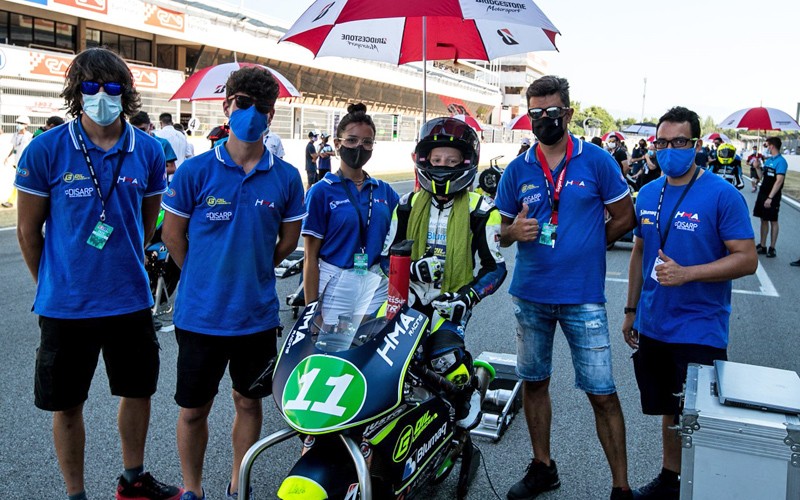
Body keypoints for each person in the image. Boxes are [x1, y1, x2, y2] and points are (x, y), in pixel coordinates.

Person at [14, 47, 181, 500]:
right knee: (67, 404)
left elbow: (148, 224)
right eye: (90, 86)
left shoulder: (147, 150)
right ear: (76, 91)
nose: (101, 95)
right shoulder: (46, 148)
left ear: (125, 93)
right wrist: (53, 280)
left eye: (112, 87)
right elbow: (29, 233)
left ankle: (133, 479)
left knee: (138, 391)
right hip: (66, 304)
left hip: (129, 298)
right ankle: (75, 493)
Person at [161, 66, 305, 500]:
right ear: (227, 107)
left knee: (248, 403)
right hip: (199, 316)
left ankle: (238, 484)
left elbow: (287, 241)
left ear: (271, 115)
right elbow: (172, 236)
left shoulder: (286, 177)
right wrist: (204, 273)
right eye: (243, 103)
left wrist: (251, 269)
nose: (251, 114)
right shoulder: (195, 171)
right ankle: (193, 489)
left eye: (261, 108)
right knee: (193, 410)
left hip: (255, 316)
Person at [494, 75, 636, 500]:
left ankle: (621, 487)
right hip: (531, 293)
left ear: (568, 114)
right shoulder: (518, 168)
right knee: (534, 382)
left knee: (602, 392)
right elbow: (499, 232)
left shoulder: (596, 161)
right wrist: (513, 232)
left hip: (583, 297)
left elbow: (625, 216)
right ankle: (543, 466)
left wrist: (592, 243)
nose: (542, 120)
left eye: (551, 113)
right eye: (534, 114)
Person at [622, 106, 758, 499]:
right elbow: (638, 253)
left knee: (700, 414)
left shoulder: (722, 194)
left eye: (679, 142)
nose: (669, 150)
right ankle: (671, 478)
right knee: (669, 407)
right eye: (662, 142)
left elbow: (746, 259)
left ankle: (703, 486)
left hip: (701, 326)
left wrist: (689, 273)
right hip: (655, 322)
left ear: (696, 145)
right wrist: (631, 311)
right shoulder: (648, 192)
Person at [381, 116, 507, 429]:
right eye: (436, 159)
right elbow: (386, 259)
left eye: (451, 160)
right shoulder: (406, 204)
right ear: (423, 160)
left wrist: (468, 296)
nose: (442, 165)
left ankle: (470, 392)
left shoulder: (482, 209)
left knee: (447, 362)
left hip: (450, 302)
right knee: (379, 355)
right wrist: (412, 269)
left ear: (467, 162)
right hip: (407, 298)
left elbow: (496, 267)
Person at [302, 103, 398, 304]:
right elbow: (310, 258)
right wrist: (311, 311)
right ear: (337, 143)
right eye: (352, 140)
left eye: (367, 142)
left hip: (376, 283)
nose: (359, 147)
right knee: (331, 337)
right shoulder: (320, 192)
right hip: (335, 283)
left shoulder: (384, 190)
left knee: (375, 336)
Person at [753, 137, 788, 258]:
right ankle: (762, 245)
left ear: (772, 146)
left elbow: (779, 181)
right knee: (763, 219)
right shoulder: (768, 161)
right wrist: (757, 167)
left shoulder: (781, 162)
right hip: (763, 193)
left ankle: (772, 248)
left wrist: (770, 197)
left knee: (773, 220)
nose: (766, 148)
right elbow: (761, 177)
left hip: (772, 196)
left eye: (767, 145)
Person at [130, 111, 178, 178]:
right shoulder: (129, 143)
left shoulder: (162, 143)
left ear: (151, 126)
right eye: (135, 130)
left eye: (142, 130)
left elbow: (172, 168)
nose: (139, 134)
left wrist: (149, 172)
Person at [2, 115, 33, 208]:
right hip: (17, 162)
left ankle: (12, 201)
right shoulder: (15, 135)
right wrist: (8, 156)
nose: (19, 125)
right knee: (20, 180)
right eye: (18, 123)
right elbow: (14, 148)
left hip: (25, 162)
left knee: (20, 180)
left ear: (26, 125)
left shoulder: (29, 136)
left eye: (21, 123)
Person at [154, 112, 188, 179]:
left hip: (167, 176)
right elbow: (187, 154)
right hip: (181, 174)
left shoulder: (158, 135)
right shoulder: (182, 135)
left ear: (160, 123)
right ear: (171, 122)